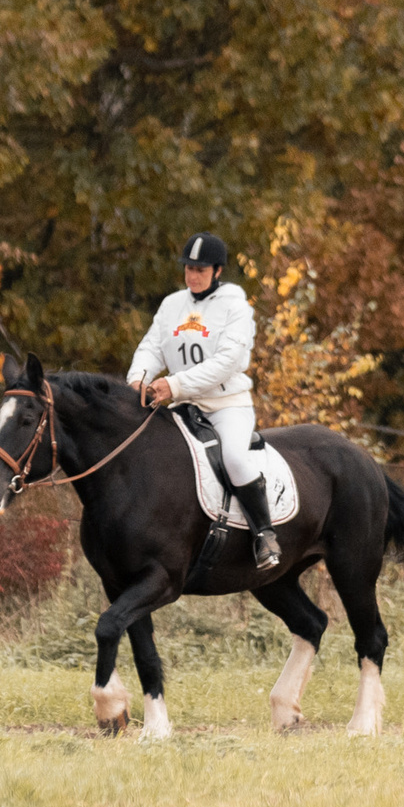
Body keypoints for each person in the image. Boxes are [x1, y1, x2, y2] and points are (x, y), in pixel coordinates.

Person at [128, 232, 280, 570]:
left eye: (200, 269)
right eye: (188, 268)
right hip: (183, 406)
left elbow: (225, 362)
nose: (192, 276)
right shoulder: (171, 305)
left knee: (235, 458)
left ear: (218, 270)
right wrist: (137, 378)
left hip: (226, 406)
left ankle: (264, 535)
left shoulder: (236, 308)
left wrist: (174, 383)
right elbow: (152, 347)